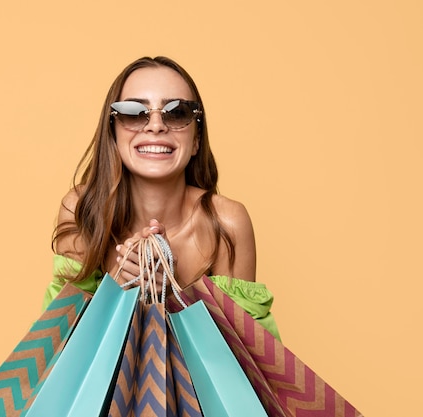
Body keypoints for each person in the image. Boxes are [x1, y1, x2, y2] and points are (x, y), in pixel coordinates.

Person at [43, 56, 280, 339]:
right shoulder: (81, 211)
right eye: (133, 111)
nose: (156, 125)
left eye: (177, 112)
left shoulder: (227, 223)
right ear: (113, 135)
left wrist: (172, 292)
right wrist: (117, 292)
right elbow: (57, 350)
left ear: (195, 140)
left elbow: (248, 364)